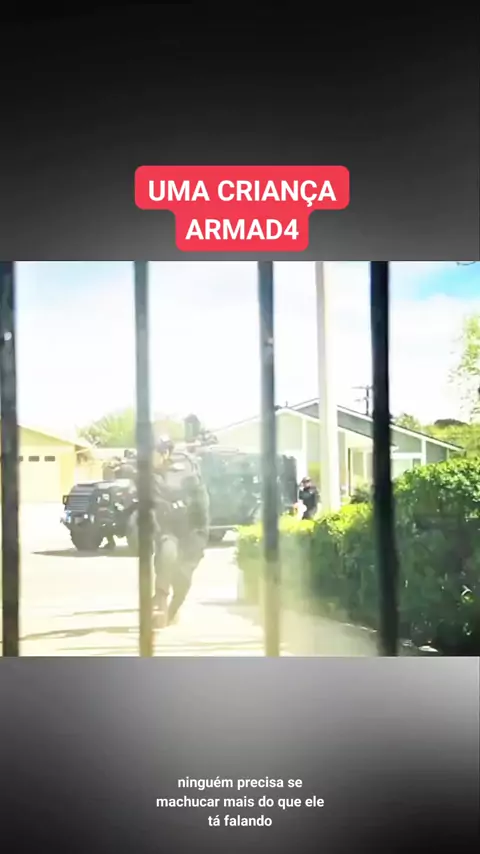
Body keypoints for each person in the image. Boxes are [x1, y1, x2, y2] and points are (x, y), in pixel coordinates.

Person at [151, 435, 209, 628]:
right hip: (169, 528)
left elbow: (200, 503)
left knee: (183, 577)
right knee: (167, 555)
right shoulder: (150, 475)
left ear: (165, 453)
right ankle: (160, 600)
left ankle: (173, 611)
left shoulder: (184, 471)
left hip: (193, 530)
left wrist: (183, 504)